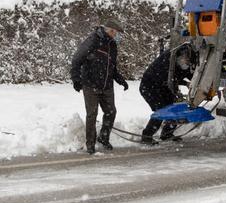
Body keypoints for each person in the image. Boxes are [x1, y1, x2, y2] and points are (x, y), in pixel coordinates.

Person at [70, 21, 129, 153]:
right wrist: (76, 79)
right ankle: (90, 143)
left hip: (107, 85)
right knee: (92, 114)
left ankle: (103, 137)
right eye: (117, 33)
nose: (118, 36)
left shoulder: (112, 45)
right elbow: (76, 59)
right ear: (111, 31)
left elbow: (112, 67)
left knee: (111, 112)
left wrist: (120, 80)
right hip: (91, 84)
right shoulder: (93, 40)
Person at [139, 45, 196, 144]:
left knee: (173, 107)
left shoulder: (182, 62)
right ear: (180, 56)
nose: (186, 63)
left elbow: (188, 74)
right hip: (149, 87)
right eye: (185, 60)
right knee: (161, 110)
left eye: (188, 61)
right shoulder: (167, 61)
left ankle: (167, 133)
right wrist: (183, 85)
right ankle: (146, 136)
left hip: (163, 87)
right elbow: (170, 78)